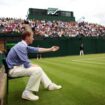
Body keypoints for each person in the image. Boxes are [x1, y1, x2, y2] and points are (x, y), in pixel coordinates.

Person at [6, 31, 62, 101]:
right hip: (13, 70)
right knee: (37, 69)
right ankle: (27, 93)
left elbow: (37, 49)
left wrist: (50, 49)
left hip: (17, 67)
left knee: (38, 68)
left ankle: (49, 85)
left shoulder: (23, 45)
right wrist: (33, 65)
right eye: (32, 37)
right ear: (27, 37)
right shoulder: (21, 46)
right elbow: (26, 64)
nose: (33, 39)